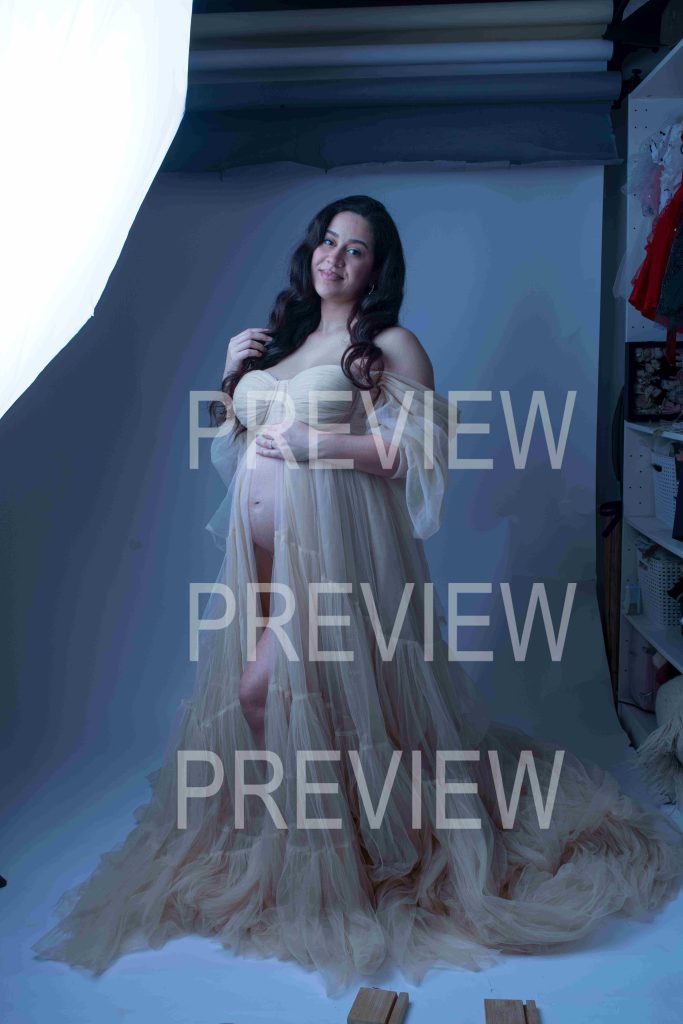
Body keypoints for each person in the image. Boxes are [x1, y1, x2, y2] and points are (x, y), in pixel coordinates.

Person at [33, 195, 683, 996]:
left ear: (377, 268)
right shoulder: (284, 342)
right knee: (296, 698)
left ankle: (327, 859)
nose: (334, 258)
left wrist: (321, 441)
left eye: (355, 249)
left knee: (263, 690)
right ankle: (302, 840)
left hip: (334, 554)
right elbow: (238, 444)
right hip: (260, 558)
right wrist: (229, 377)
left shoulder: (387, 345)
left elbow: (416, 451)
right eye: (328, 241)